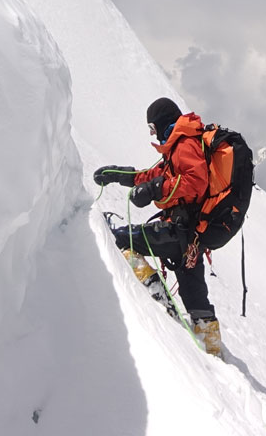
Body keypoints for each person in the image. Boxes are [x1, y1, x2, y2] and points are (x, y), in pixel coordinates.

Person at [94, 97, 227, 356]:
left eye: (153, 128)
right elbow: (157, 176)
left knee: (121, 240)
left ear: (164, 123)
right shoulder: (184, 142)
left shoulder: (184, 144)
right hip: (192, 238)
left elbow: (195, 181)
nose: (152, 134)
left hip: (179, 232)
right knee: (197, 302)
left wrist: (155, 190)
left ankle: (156, 295)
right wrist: (123, 176)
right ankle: (213, 354)